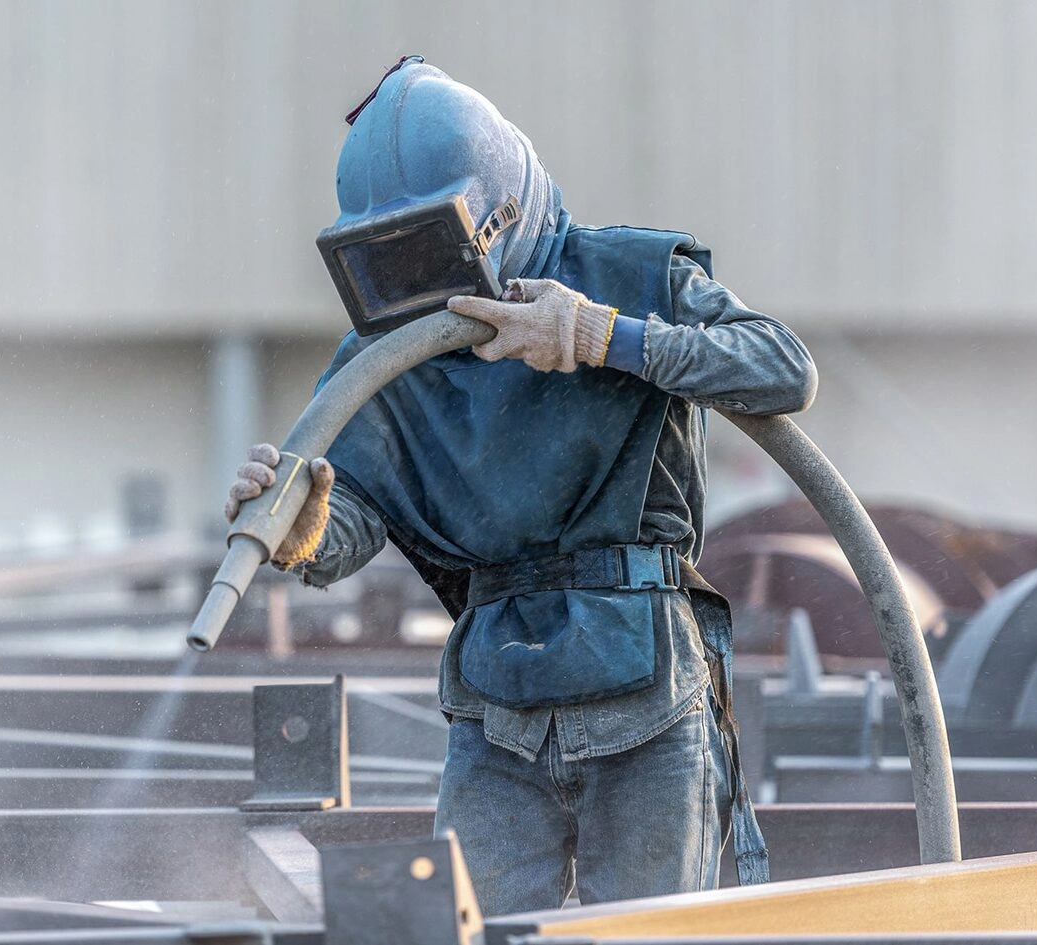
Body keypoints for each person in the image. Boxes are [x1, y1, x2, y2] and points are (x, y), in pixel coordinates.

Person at [224, 57, 816, 913]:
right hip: (496, 699)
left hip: (644, 679)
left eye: (432, 251)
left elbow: (782, 370)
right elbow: (351, 505)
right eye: (392, 264)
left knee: (652, 939)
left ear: (496, 218)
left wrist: (598, 334)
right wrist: (302, 526)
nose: (423, 289)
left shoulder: (629, 278)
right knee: (467, 930)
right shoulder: (390, 359)